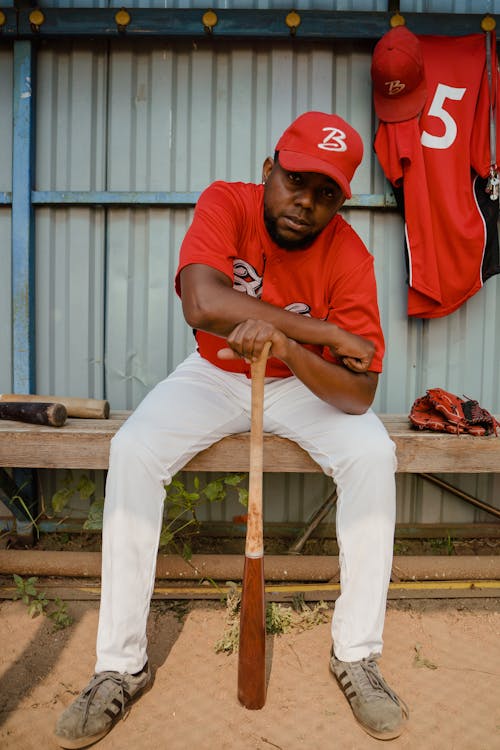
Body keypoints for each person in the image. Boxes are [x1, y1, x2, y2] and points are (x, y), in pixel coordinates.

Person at [54, 111, 409, 748]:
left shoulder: (350, 253)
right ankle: (118, 666)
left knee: (372, 456)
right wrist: (323, 332)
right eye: (296, 181)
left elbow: (358, 395)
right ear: (269, 170)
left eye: (325, 194)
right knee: (133, 449)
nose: (306, 203)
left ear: (339, 203)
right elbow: (203, 303)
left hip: (299, 384)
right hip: (214, 372)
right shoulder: (228, 202)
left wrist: (293, 349)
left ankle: (356, 654)